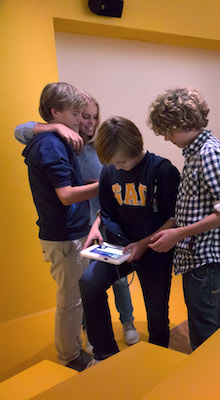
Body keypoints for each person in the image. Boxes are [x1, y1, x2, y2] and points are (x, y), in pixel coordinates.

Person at [14, 92, 140, 350]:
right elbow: (20, 130)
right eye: (84, 116)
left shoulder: (100, 146)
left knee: (116, 278)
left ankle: (128, 323)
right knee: (85, 286)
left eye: (95, 117)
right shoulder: (60, 143)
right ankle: (88, 333)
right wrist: (56, 126)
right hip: (80, 226)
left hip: (104, 222)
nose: (90, 122)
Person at [80, 116, 180, 366]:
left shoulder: (163, 170)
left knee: (157, 311)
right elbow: (107, 210)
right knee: (89, 283)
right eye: (113, 162)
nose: (118, 166)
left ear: (136, 147)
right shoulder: (110, 171)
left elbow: (176, 217)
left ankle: (158, 358)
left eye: (122, 161)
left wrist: (144, 243)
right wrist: (96, 227)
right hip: (119, 248)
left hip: (155, 250)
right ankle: (104, 353)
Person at [147, 87, 220, 350]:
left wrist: (179, 234)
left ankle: (208, 380)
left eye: (168, 130)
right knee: (205, 318)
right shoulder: (195, 152)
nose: (165, 137)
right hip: (196, 257)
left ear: (183, 122)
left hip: (204, 258)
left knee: (204, 327)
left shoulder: (209, 153)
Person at [22, 82, 99, 371]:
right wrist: (103, 187)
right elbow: (65, 195)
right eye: (77, 113)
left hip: (70, 232)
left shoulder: (54, 140)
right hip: (64, 236)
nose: (82, 120)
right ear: (56, 112)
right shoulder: (51, 144)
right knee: (70, 302)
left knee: (77, 297)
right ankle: (71, 357)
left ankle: (80, 349)